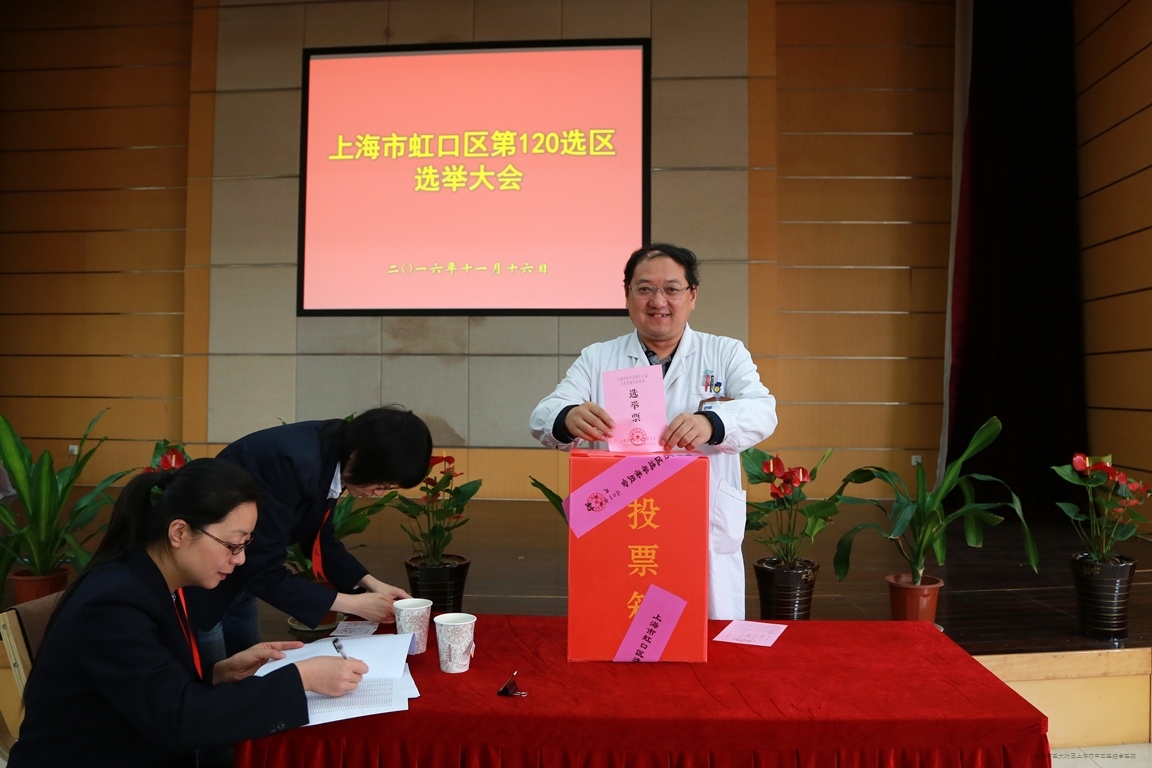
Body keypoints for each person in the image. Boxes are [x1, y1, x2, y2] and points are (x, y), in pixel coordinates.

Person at [8, 459, 367, 768]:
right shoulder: (114, 604)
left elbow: (149, 687)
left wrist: (217, 674)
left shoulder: (156, 581)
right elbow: (179, 720)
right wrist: (300, 678)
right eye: (232, 544)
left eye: (246, 545)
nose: (241, 559)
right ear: (179, 532)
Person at [529, 244, 778, 620]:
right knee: (622, 620)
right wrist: (567, 417)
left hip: (699, 518)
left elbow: (763, 411)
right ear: (627, 294)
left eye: (672, 289)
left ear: (692, 295)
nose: (658, 301)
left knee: (704, 631)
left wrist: (711, 423)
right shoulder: (598, 357)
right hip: (625, 516)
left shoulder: (725, 353)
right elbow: (542, 415)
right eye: (644, 289)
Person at [188, 405, 433, 668]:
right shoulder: (291, 462)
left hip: (238, 578)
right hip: (202, 577)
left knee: (248, 669)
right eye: (381, 484)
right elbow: (263, 567)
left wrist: (374, 585)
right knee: (214, 675)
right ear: (359, 455)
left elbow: (320, 537)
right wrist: (353, 605)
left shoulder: (335, 453)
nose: (379, 493)